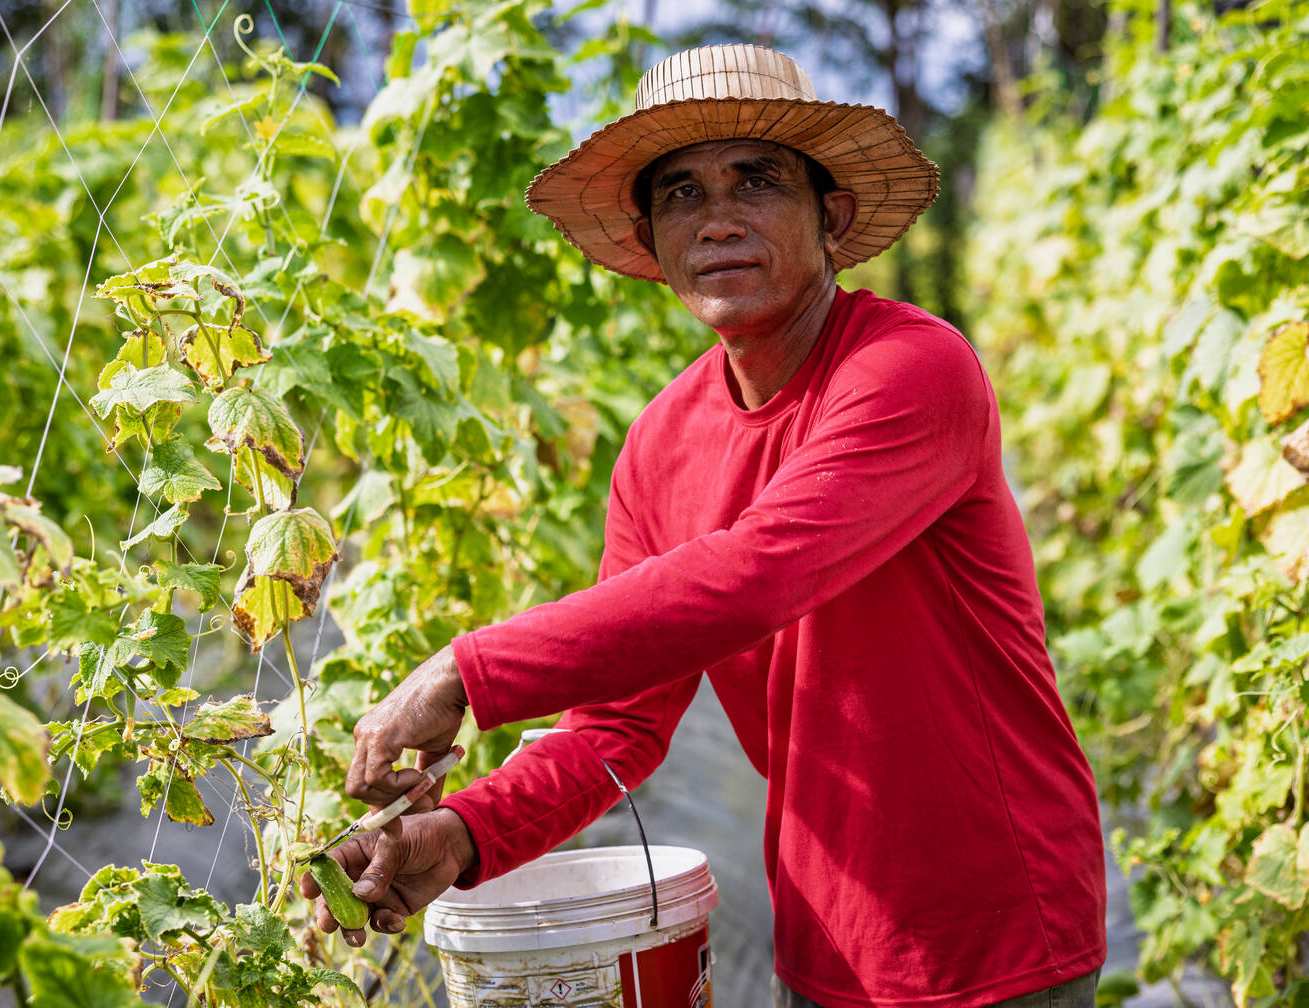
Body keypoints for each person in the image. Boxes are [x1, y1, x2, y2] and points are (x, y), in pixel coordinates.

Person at [299, 43, 1107, 1007]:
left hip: (995, 925)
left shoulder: (913, 370)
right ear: (652, 242)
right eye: (681, 193)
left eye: (756, 181)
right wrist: (468, 832)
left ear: (833, 217)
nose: (717, 219)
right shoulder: (658, 445)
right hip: (826, 930)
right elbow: (619, 719)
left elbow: (756, 574)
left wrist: (466, 671)